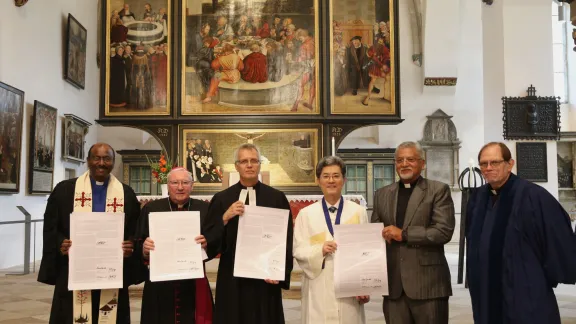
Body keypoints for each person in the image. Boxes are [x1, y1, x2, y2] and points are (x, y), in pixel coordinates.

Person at [466, 142, 576, 324]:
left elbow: (557, 237)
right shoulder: (477, 198)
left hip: (523, 286)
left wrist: (541, 276)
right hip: (486, 288)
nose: (488, 168)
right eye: (483, 164)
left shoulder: (533, 196)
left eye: (495, 162)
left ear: (510, 164)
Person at [38, 143, 141, 324]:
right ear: (88, 161)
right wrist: (60, 243)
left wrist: (130, 245)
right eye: (97, 158)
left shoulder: (126, 194)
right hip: (75, 268)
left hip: (111, 271)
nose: (101, 163)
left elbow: (135, 229)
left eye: (106, 158)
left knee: (111, 314)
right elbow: (51, 227)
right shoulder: (65, 190)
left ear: (113, 162)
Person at [202, 143, 294, 324]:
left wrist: (279, 271)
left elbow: (286, 238)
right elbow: (209, 240)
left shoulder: (276, 198)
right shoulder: (221, 199)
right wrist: (225, 218)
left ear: (260, 164)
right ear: (236, 166)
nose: (249, 165)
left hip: (265, 277)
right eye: (244, 161)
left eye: (253, 161)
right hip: (232, 277)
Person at [371, 141, 455, 324]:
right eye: (399, 160)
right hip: (393, 286)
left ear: (422, 163)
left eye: (410, 159)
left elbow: (443, 231)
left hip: (428, 284)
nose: (404, 164)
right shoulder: (382, 194)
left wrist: (404, 234)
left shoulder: (438, 190)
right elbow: (375, 232)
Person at [294, 156, 369, 324]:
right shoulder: (306, 214)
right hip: (318, 284)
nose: (331, 180)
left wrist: (364, 286)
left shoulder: (358, 212)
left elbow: (366, 251)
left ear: (344, 179)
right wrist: (319, 250)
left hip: (349, 287)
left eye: (336, 176)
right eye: (326, 176)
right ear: (318, 180)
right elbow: (298, 250)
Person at [135, 167, 214, 324]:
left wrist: (207, 244)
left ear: (192, 185)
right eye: (174, 182)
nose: (180, 187)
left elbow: (216, 241)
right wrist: (144, 249)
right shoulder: (151, 209)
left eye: (185, 182)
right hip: (160, 283)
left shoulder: (205, 209)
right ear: (167, 185)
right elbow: (138, 241)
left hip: (193, 281)